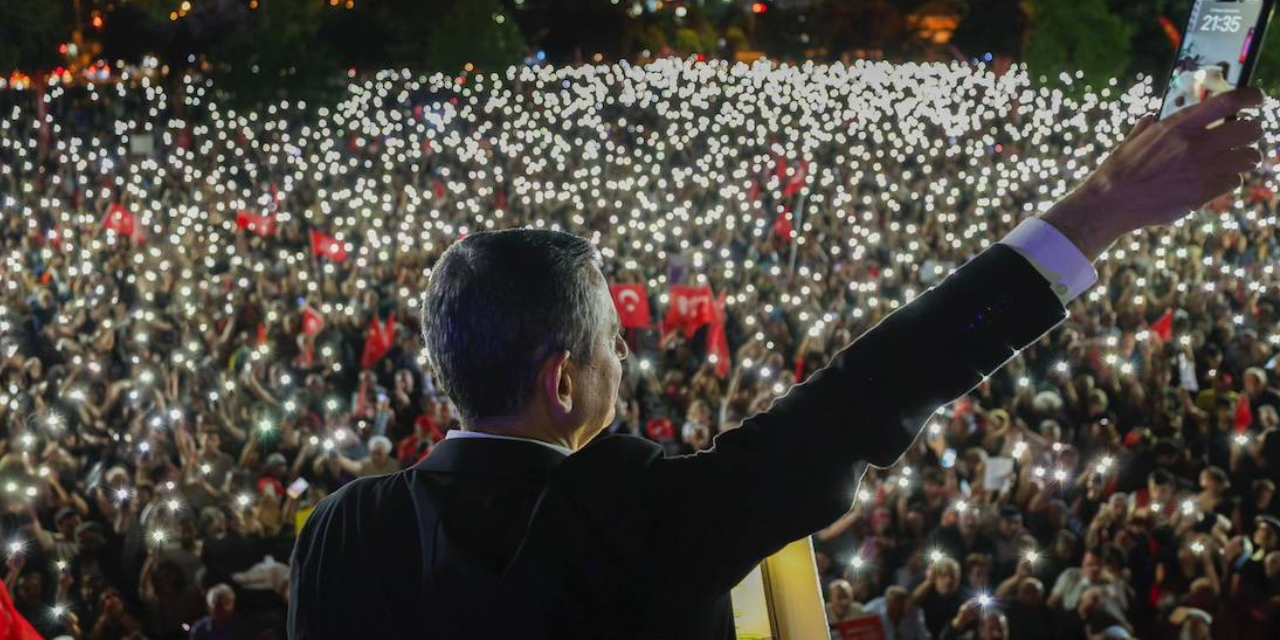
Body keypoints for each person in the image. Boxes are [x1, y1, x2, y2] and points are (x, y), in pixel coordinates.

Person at [288, 88, 1268, 638]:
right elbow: (868, 392)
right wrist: (1097, 208)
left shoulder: (339, 532)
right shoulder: (635, 511)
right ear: (562, 380)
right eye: (613, 348)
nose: (625, 368)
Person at [862, 585, 930, 640]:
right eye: (892, 609)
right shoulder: (871, 610)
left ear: (906, 605)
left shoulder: (916, 613)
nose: (896, 613)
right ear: (886, 603)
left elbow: (924, 637)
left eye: (900, 610)